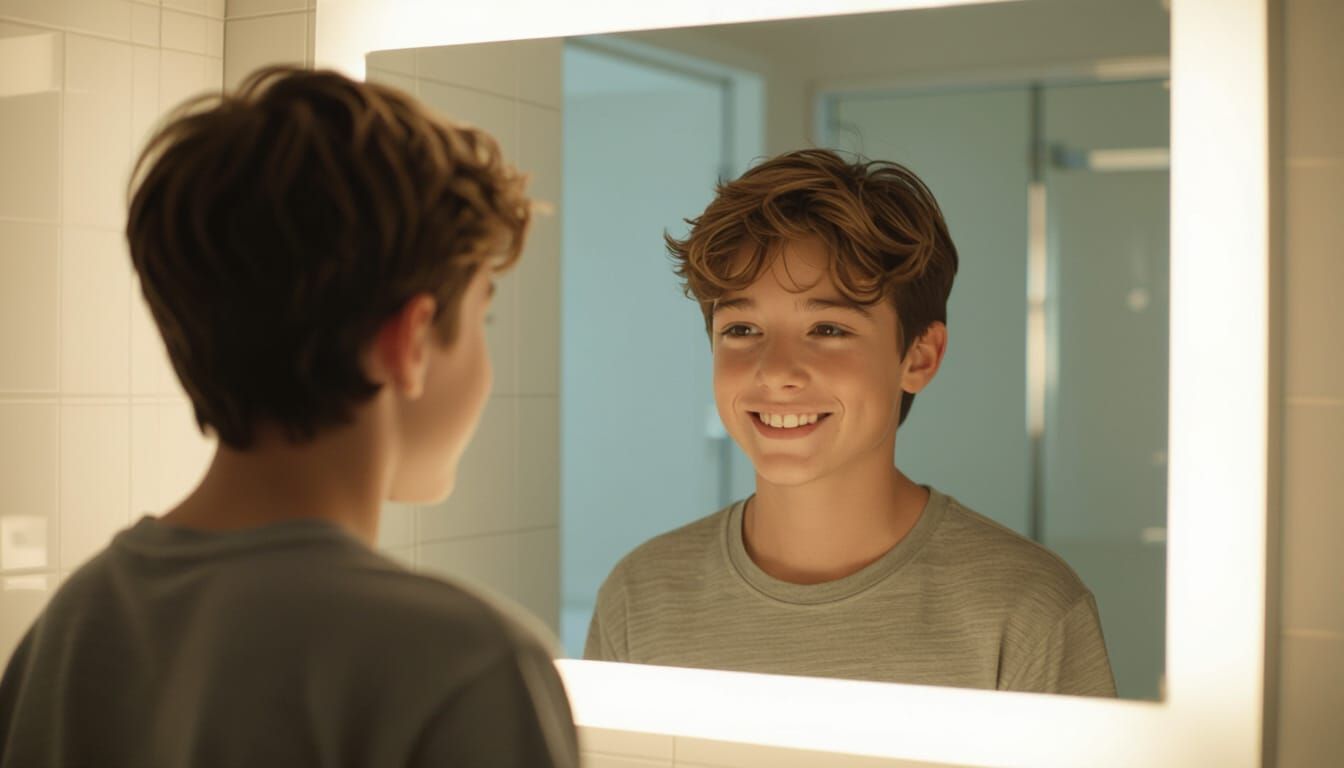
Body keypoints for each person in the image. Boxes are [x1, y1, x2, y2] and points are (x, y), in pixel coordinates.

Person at [0, 66, 579, 766]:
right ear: (410, 342)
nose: (488, 370)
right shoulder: (465, 667)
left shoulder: (68, 630)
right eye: (482, 316)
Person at [585, 148, 1115, 697]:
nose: (777, 373)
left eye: (828, 330)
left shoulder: (1025, 610)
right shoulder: (639, 595)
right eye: (741, 329)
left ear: (919, 357)